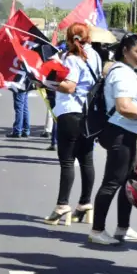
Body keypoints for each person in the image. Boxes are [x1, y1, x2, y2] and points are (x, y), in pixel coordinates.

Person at [44, 23, 102, 226]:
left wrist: (47, 82)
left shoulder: (72, 58)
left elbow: (69, 87)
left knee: (67, 161)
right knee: (87, 160)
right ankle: (85, 203)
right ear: (88, 37)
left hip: (70, 112)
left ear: (69, 38)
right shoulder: (94, 55)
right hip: (89, 113)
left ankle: (62, 205)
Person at [88, 33, 137, 244]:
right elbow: (124, 107)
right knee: (112, 182)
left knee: (129, 180)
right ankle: (97, 230)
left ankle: (123, 228)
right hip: (120, 132)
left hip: (127, 133)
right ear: (125, 51)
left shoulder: (128, 71)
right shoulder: (122, 73)